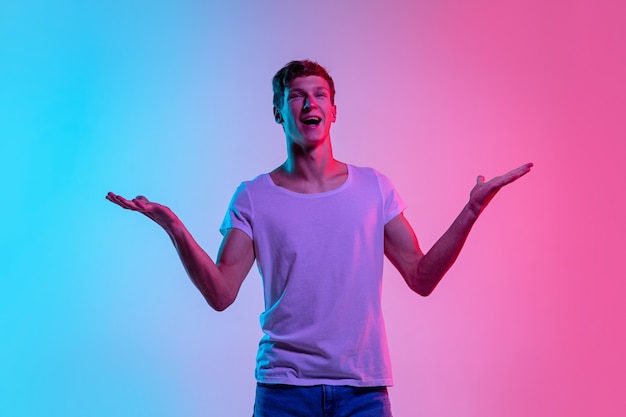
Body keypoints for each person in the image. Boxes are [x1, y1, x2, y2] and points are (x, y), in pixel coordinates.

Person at [106, 60, 533, 417]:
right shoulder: (253, 197)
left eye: (320, 94)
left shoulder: (374, 189)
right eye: (296, 95)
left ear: (333, 110)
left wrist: (472, 210)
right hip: (283, 392)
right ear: (278, 111)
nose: (309, 103)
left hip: (362, 393)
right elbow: (221, 293)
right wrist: (175, 228)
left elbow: (421, 277)